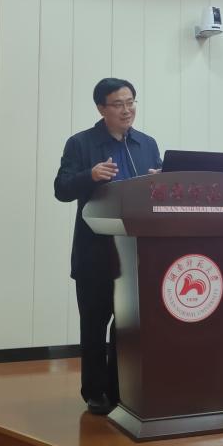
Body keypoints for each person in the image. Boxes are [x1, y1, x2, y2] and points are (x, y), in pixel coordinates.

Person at [54, 78, 161, 415]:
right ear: (101, 108)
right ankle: (95, 391)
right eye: (118, 104)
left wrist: (160, 181)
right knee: (94, 324)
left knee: (127, 327)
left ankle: (121, 388)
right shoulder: (81, 143)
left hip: (137, 253)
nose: (127, 110)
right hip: (96, 253)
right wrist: (90, 175)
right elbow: (61, 188)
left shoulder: (146, 144)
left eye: (131, 102)